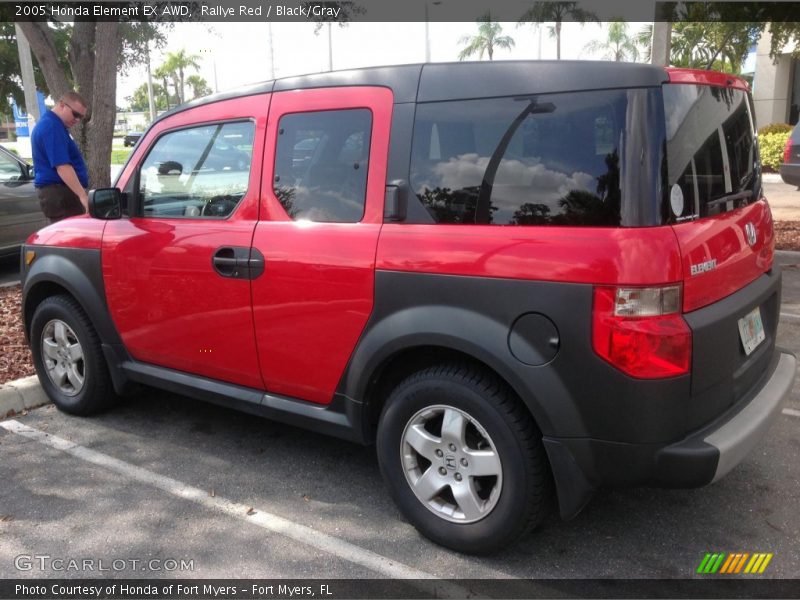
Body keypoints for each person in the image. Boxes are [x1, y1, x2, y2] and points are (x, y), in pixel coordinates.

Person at [31, 91, 90, 224]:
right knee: (71, 239)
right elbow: (62, 166)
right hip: (59, 193)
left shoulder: (53, 124)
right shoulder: (52, 126)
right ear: (62, 105)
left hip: (60, 192)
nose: (77, 120)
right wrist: (82, 195)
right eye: (75, 114)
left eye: (80, 117)